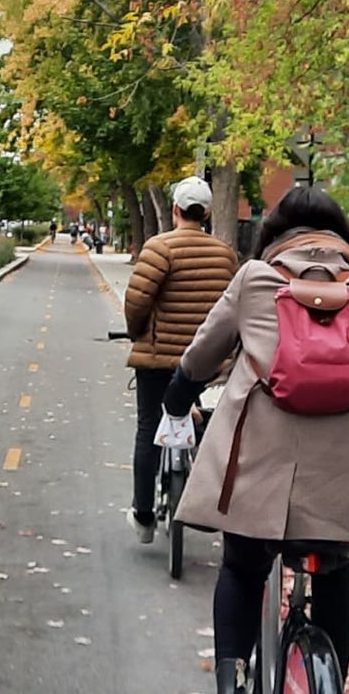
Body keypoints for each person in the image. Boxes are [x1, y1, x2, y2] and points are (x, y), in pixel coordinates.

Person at [162, 187, 349, 693]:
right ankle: (333, 679)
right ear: (343, 239)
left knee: (241, 567)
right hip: (346, 483)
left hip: (258, 479)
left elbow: (203, 353)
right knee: (335, 573)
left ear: (273, 238)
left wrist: (177, 397)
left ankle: (231, 680)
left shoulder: (255, 280)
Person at [122, 175, 238, 543]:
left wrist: (137, 332)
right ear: (205, 214)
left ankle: (143, 516)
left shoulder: (159, 249)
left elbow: (137, 301)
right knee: (209, 424)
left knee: (148, 429)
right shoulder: (225, 256)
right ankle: (207, 500)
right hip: (207, 362)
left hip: (158, 359)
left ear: (175, 210)